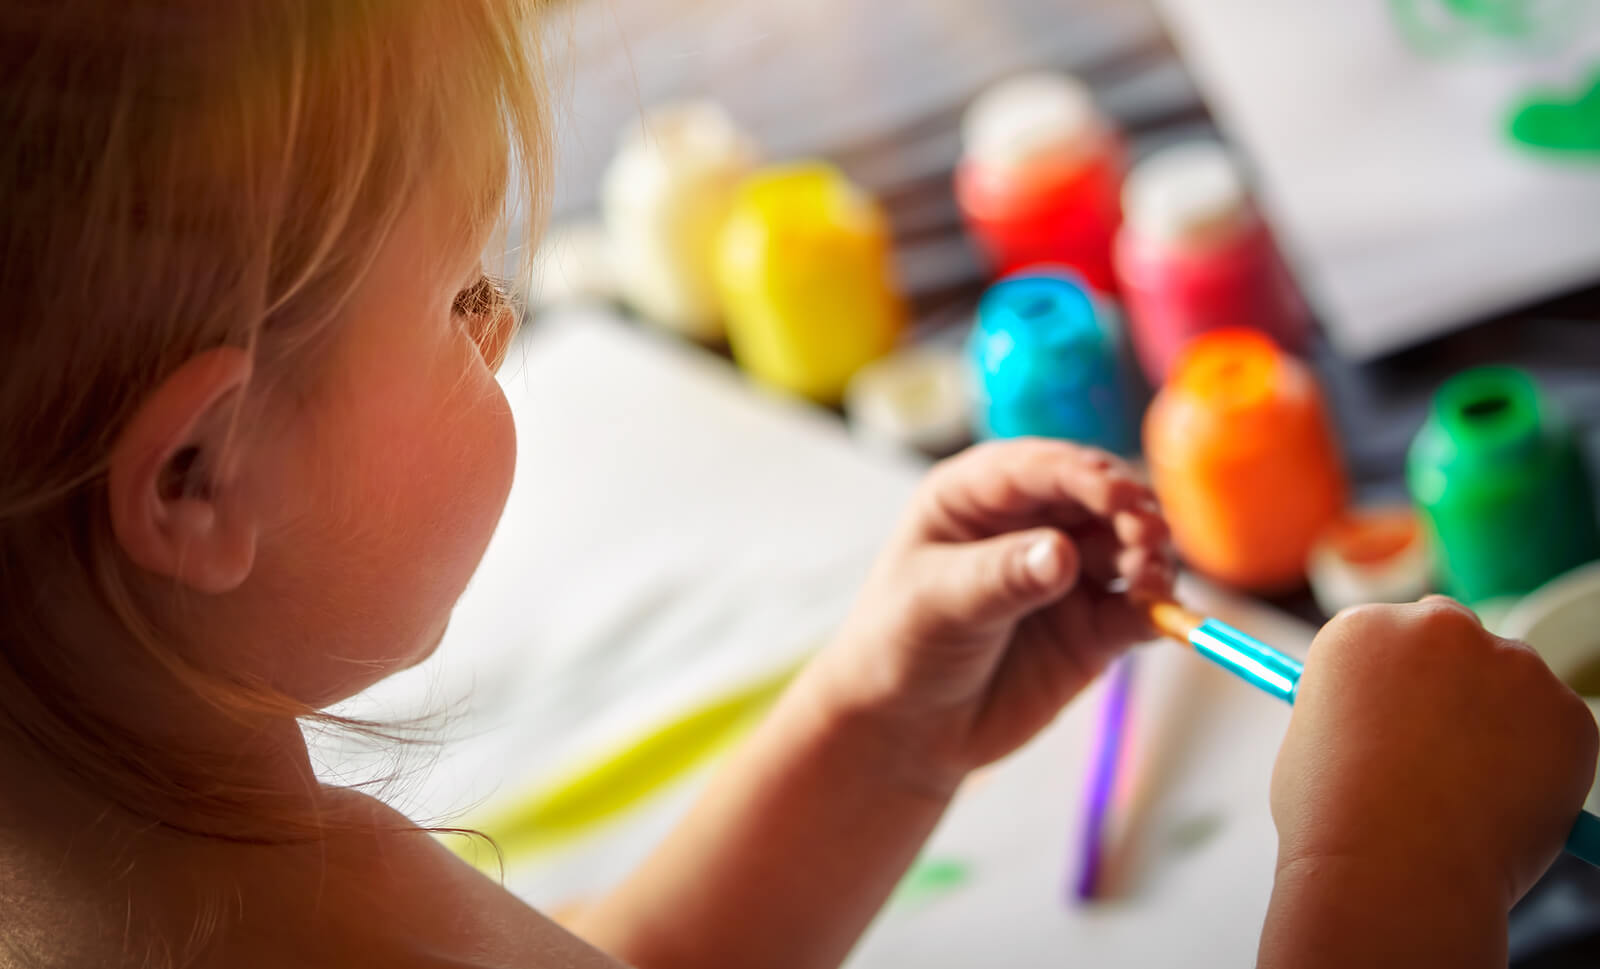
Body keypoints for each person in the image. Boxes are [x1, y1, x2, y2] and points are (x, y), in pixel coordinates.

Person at [0, 2, 1593, 967]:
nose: (500, 331)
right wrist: (1397, 871)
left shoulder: (155, 863)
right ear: (196, 482)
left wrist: (881, 731)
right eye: (463, 301)